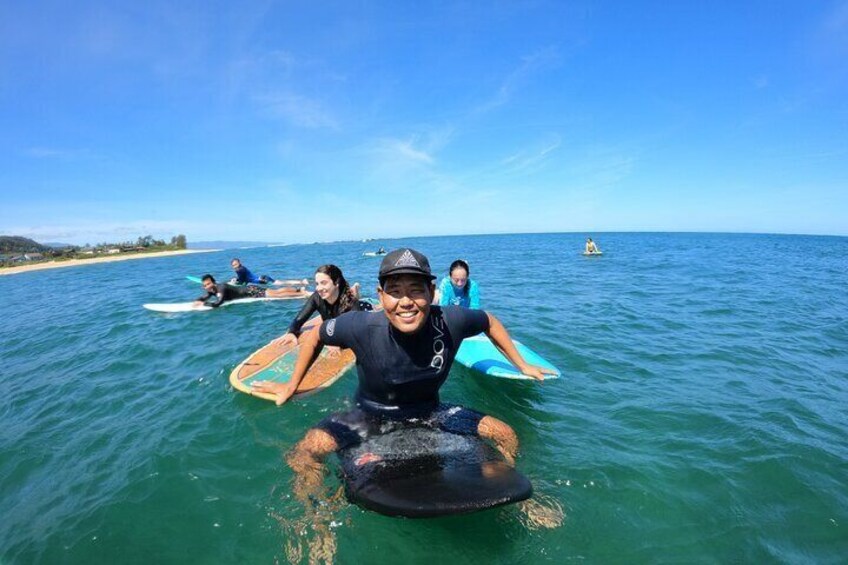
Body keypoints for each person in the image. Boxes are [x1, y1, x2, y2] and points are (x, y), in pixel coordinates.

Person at [251, 248, 555, 511]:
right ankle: (316, 519)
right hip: (368, 415)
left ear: (432, 292)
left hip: (430, 412)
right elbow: (315, 334)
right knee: (304, 453)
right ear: (381, 296)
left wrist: (522, 363)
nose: (406, 301)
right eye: (395, 291)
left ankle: (504, 491)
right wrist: (293, 384)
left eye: (416, 290)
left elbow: (488, 320)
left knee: (505, 433)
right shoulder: (360, 325)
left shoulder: (450, 320)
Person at [273, 264, 366, 349]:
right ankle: (353, 290)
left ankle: (355, 291)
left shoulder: (352, 303)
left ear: (336, 282)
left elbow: (357, 332)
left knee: (357, 301)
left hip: (364, 308)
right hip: (338, 316)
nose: (318, 288)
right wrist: (291, 332)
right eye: (317, 284)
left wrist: (339, 343)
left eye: (323, 283)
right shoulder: (317, 298)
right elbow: (299, 319)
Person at [193, 274, 304, 308]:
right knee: (277, 292)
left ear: (213, 282)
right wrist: (198, 300)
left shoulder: (221, 287)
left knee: (277, 294)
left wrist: (204, 304)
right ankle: (298, 290)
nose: (207, 287)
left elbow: (219, 303)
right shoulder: (212, 290)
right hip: (250, 290)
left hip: (251, 291)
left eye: (208, 284)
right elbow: (205, 297)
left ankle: (300, 292)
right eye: (205, 285)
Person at [230, 258, 308, 287]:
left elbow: (242, 281)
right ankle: (301, 281)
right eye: (233, 265)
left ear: (239, 263)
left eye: (236, 264)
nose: (235, 266)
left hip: (261, 280)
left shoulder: (239, 270)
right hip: (262, 277)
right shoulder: (243, 268)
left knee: (282, 284)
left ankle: (301, 282)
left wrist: (234, 283)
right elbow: (245, 278)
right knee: (280, 282)